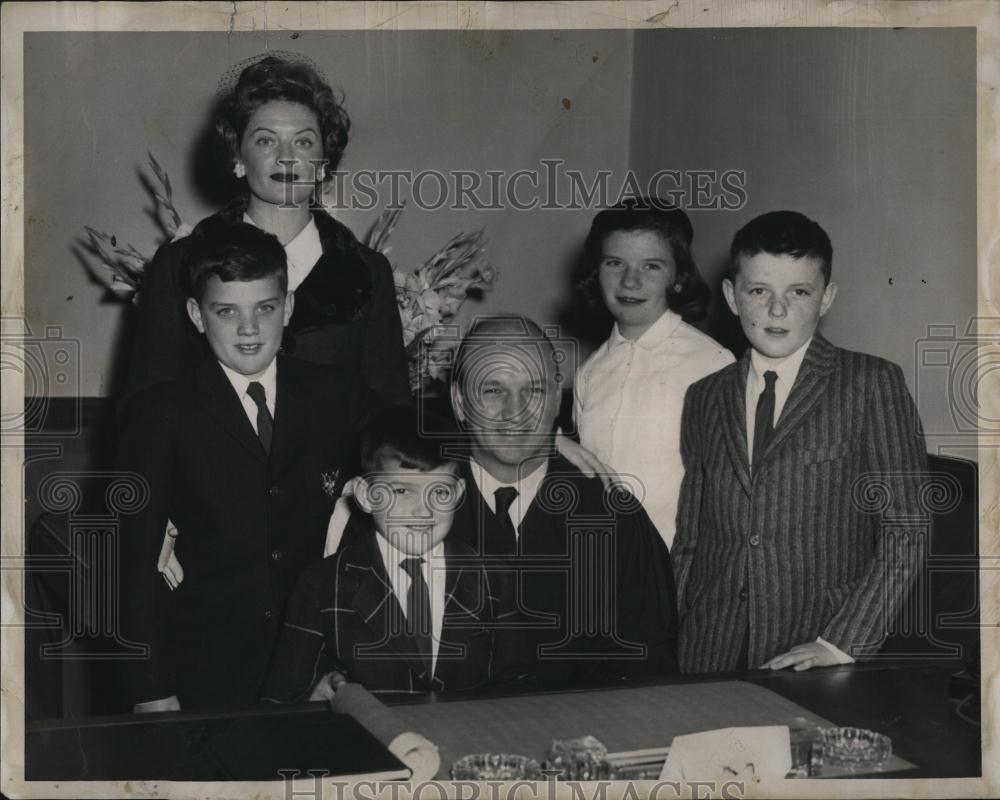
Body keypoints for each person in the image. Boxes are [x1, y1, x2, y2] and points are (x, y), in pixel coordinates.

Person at [116, 222, 371, 711]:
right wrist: (151, 688)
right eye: (226, 312)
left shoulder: (337, 396)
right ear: (196, 314)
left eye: (266, 309)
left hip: (312, 672)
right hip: (200, 673)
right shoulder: (160, 413)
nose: (249, 329)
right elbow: (131, 565)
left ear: (289, 307)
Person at [672, 210, 928, 674]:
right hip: (708, 648)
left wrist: (840, 643)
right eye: (758, 291)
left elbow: (906, 528)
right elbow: (691, 537)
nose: (777, 310)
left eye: (799, 292)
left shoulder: (870, 384)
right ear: (732, 296)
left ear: (826, 298)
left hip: (817, 646)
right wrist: (674, 630)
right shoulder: (705, 396)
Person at [122, 52, 410, 420]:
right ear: (238, 158)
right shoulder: (179, 264)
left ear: (324, 163)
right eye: (266, 141)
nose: (286, 158)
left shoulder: (368, 272)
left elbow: (391, 416)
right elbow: (144, 416)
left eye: (303, 142)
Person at [446, 314, 679, 688]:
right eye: (492, 390)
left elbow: (646, 666)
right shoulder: (413, 512)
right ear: (459, 402)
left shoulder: (612, 517)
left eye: (534, 391)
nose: (515, 412)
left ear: (557, 398)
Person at [262, 407, 514, 700]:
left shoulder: (492, 577)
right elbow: (281, 701)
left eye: (441, 492)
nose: (424, 511)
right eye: (402, 491)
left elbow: (518, 688)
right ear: (366, 496)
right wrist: (314, 697)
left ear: (458, 494)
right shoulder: (321, 585)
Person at [573, 199, 734, 549]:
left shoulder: (712, 363)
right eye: (615, 263)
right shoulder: (589, 372)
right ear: (595, 272)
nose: (630, 281)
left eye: (652, 266)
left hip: (675, 567)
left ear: (677, 278)